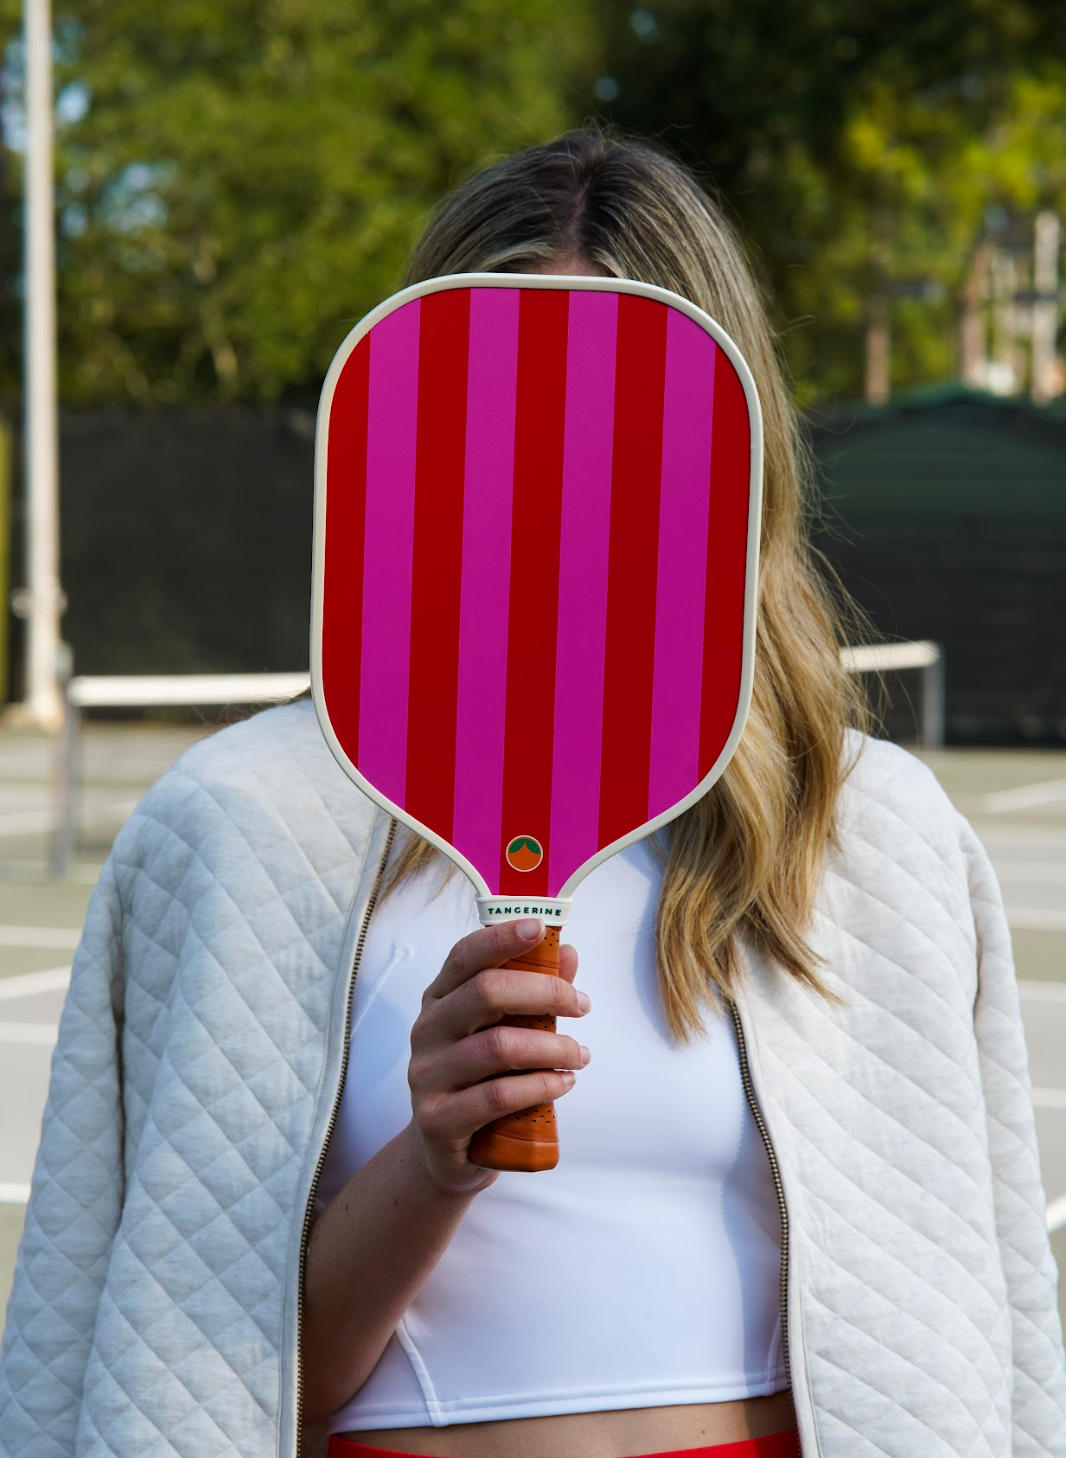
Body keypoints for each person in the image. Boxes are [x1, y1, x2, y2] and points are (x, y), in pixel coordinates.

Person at [1, 129, 1065, 1458]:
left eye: (624, 421)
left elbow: (986, 1331)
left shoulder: (870, 833)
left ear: (730, 457)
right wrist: (432, 1156)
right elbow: (228, 1385)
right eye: (496, 415)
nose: (555, 483)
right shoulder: (237, 826)